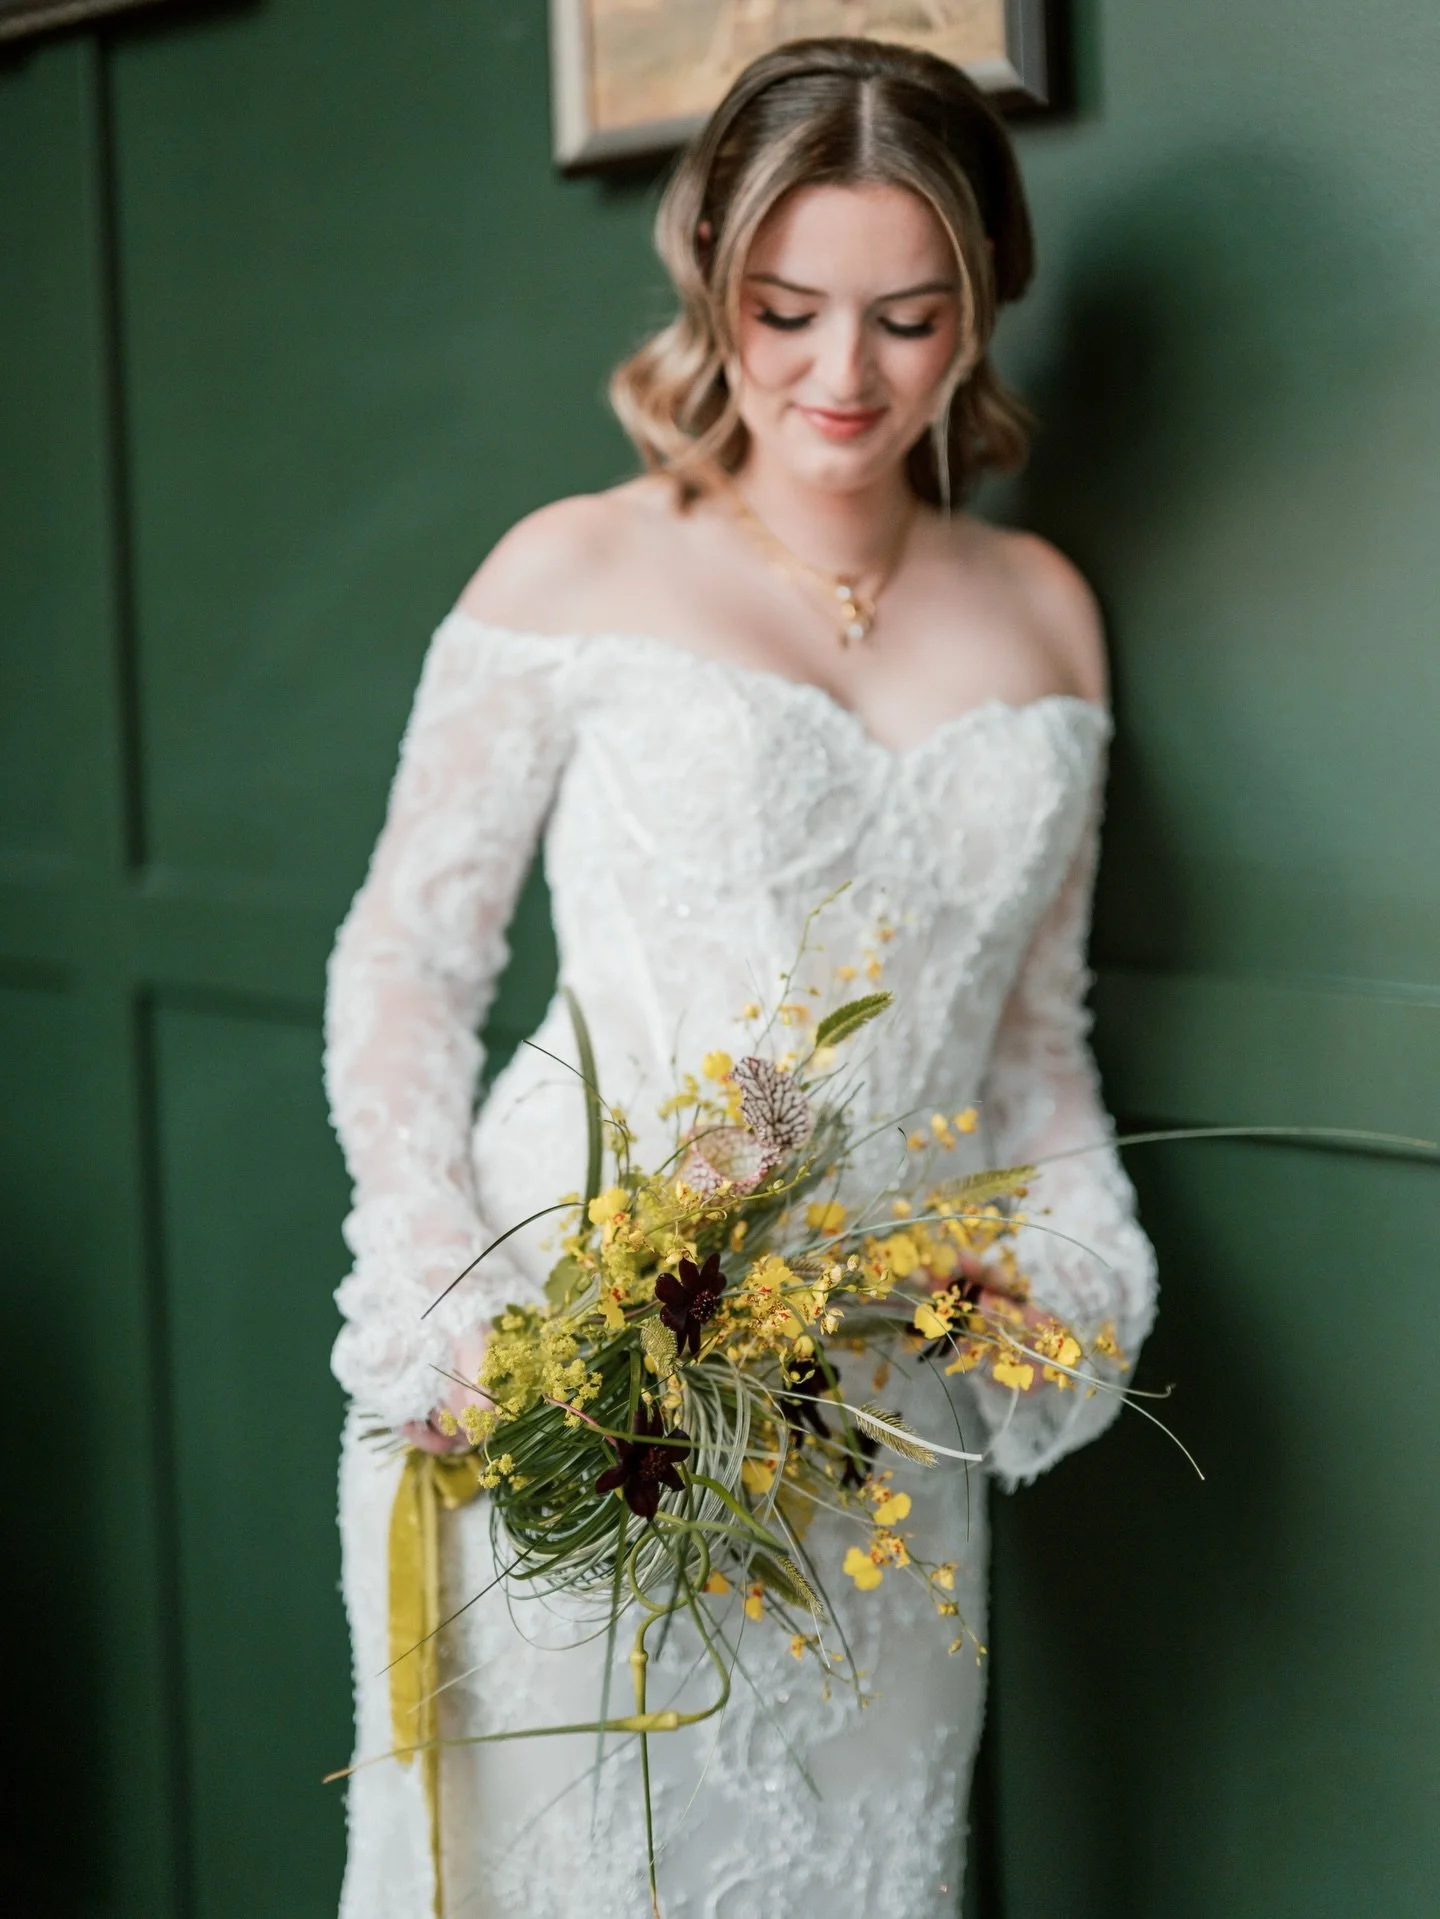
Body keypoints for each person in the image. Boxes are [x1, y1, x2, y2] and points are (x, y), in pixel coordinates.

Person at [324, 36, 1156, 1918]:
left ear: (982, 306)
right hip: (573, 1381)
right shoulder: (571, 569)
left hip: (876, 1430)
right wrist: (440, 1307)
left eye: (907, 317)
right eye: (785, 311)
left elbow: (1039, 1058)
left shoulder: (1046, 610)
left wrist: (1062, 1289)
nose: (842, 377)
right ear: (708, 273)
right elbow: (403, 963)